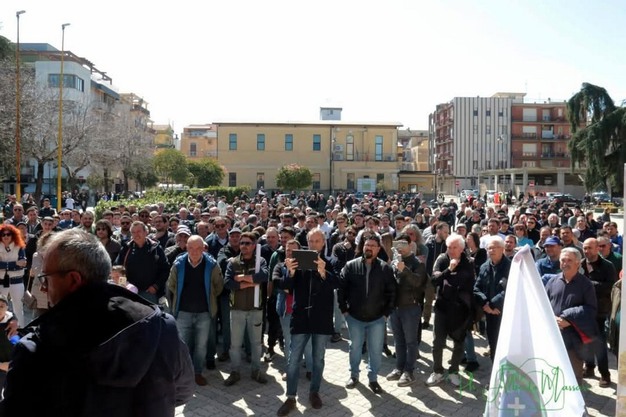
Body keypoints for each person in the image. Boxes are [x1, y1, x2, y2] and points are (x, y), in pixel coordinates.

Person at [0, 229, 194, 416]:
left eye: (46, 279)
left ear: (73, 280)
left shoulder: (35, 350)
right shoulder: (161, 326)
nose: (43, 288)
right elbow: (182, 391)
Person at [276, 229, 337, 416]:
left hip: (321, 318)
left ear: (323, 242)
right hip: (301, 318)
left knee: (318, 359)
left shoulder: (330, 261)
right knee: (293, 359)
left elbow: (337, 284)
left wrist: (323, 271)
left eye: (317, 241)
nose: (314, 244)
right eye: (311, 241)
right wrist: (291, 272)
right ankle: (290, 397)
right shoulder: (298, 260)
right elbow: (286, 286)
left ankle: (314, 392)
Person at [339, 235, 396, 394]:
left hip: (377, 318)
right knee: (355, 348)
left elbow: (392, 293)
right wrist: (344, 310)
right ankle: (354, 375)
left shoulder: (385, 268)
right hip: (354, 317)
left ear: (378, 249)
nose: (369, 247)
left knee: (376, 350)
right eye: (366, 245)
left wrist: (386, 314)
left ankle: (373, 378)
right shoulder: (351, 266)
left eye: (372, 245)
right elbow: (341, 289)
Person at [167, 235, 223, 386]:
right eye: (191, 248)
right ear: (186, 248)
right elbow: (171, 285)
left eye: (198, 248)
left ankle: (197, 372)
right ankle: (184, 373)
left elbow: (218, 287)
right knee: (182, 345)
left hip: (204, 312)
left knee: (201, 346)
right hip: (183, 312)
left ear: (203, 248)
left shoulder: (212, 265)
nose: (194, 251)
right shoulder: (178, 265)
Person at [426, 234, 474, 387]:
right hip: (442, 307)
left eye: (454, 248)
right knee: (437, 341)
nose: (451, 251)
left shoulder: (468, 262)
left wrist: (449, 279)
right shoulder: (442, 259)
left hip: (460, 309)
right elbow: (434, 280)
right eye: (449, 247)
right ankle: (437, 371)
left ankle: (454, 371)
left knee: (459, 342)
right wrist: (448, 270)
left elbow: (468, 283)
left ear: (462, 249)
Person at [545, 248, 598, 384]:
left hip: (574, 338)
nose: (565, 263)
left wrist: (567, 318)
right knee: (553, 371)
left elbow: (591, 309)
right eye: (563, 260)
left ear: (577, 263)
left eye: (569, 260)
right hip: (554, 335)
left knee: (573, 376)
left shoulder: (586, 284)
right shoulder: (552, 281)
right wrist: (552, 318)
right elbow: (544, 304)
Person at [223, 231, 269, 386]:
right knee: (235, 344)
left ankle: (256, 371)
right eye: (242, 243)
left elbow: (264, 276)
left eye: (247, 243)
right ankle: (235, 372)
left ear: (254, 245)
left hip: (255, 310)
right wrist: (249, 283)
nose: (243, 246)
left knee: (256, 344)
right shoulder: (233, 262)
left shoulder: (260, 261)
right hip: (237, 309)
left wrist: (242, 278)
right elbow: (228, 282)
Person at [386, 234, 427, 387]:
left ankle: (409, 372)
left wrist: (404, 269)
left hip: (411, 307)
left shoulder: (418, 263)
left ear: (410, 245)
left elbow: (418, 282)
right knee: (398, 341)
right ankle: (399, 368)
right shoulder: (395, 261)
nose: (400, 247)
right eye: (397, 244)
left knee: (411, 342)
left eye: (403, 244)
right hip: (396, 308)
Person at [581, 238, 616, 387]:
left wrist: (589, 285)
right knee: (586, 341)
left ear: (597, 249)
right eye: (585, 248)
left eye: (590, 248)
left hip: (600, 311)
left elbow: (611, 286)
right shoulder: (581, 264)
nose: (587, 251)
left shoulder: (607, 266)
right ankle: (589, 367)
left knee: (599, 344)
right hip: (584, 310)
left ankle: (605, 374)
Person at [473, 236, 510, 362]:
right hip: (490, 313)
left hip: (505, 312)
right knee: (493, 343)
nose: (491, 250)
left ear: (502, 249)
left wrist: (493, 304)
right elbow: (477, 288)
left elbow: (509, 289)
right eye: (489, 248)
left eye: (495, 247)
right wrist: (485, 304)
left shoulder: (511, 266)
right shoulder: (484, 266)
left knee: (506, 344)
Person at [115, 221, 170, 303]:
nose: (136, 234)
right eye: (133, 232)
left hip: (149, 292)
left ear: (145, 232)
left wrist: (156, 286)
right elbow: (118, 268)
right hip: (129, 291)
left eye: (138, 231)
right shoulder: (126, 248)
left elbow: (165, 269)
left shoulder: (155, 248)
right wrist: (123, 285)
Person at [0, 224, 27, 324]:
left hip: (17, 280)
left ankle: (20, 329)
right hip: (1, 281)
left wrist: (4, 265)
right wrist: (15, 263)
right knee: (0, 307)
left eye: (8, 234)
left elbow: (22, 264)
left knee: (18, 307)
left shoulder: (19, 247)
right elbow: (18, 264)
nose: (6, 236)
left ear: (13, 235)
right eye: (3, 234)